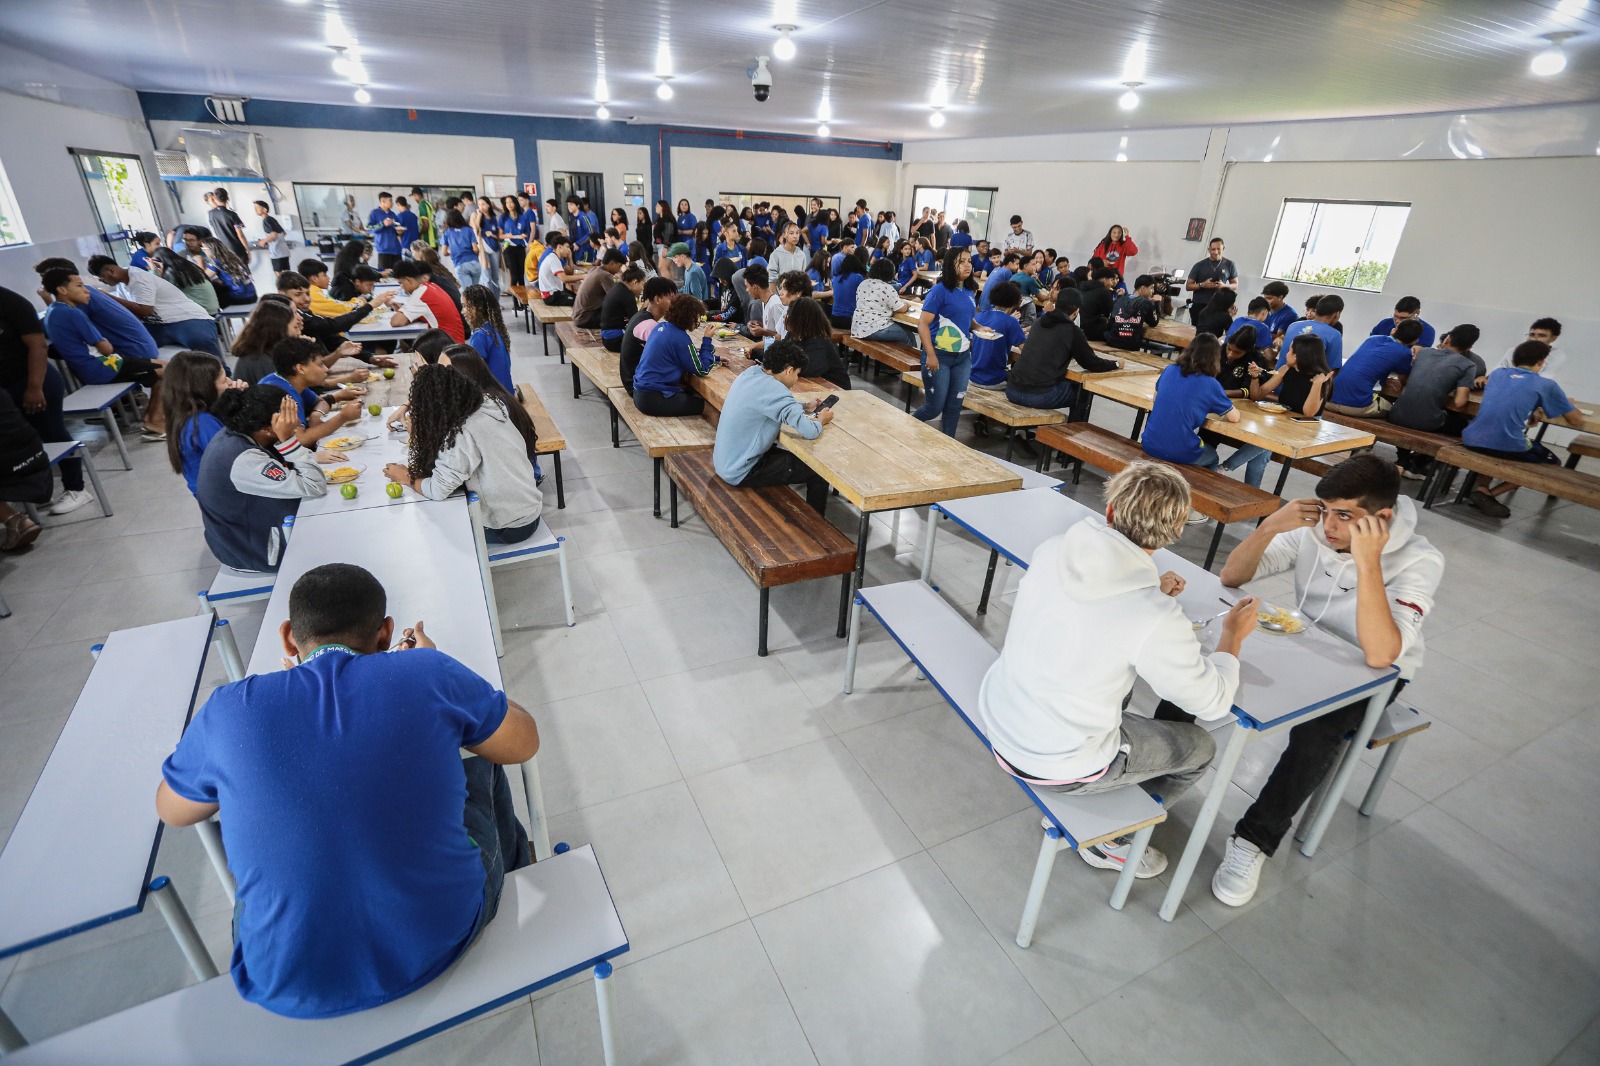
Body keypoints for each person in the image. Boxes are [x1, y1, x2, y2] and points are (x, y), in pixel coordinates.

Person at [157, 561, 538, 1018]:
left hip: (283, 980)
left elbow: (172, 810)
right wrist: (428, 666)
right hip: (442, 935)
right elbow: (523, 741)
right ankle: (517, 871)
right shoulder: (425, 671)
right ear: (386, 633)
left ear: (287, 638)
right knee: (481, 761)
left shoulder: (229, 709)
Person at [978, 461, 1255, 877]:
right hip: (1056, 762)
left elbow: (1090, 617)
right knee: (1201, 748)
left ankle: (1101, 804)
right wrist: (1232, 636)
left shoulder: (1054, 549)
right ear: (1176, 532)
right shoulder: (1150, 614)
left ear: (1109, 510)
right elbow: (1212, 702)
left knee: (1104, 674)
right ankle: (1113, 837)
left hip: (1000, 717)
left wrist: (1153, 593)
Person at [1203, 455, 1444, 905]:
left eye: (1345, 516)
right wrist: (1269, 527)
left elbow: (1381, 652)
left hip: (1373, 672)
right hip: (1307, 641)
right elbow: (1232, 576)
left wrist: (1368, 561)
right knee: (1210, 656)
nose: (1329, 526)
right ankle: (1154, 779)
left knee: (1319, 733)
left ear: (1382, 519)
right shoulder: (1319, 528)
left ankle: (1253, 841)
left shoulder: (1421, 561)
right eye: (1325, 510)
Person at [385, 363, 543, 542]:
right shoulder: (488, 403)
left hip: (508, 526)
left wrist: (405, 476)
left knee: (427, 525)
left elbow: (438, 489)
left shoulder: (462, 432)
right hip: (529, 509)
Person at [194, 384, 330, 572]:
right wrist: (289, 440)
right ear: (268, 428)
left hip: (245, 534)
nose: (298, 421)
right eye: (289, 419)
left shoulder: (238, 432)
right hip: (253, 550)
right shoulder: (244, 459)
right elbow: (315, 485)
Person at [1459, 341, 1584, 517]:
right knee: (1553, 463)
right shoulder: (1546, 384)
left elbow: (1511, 397)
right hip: (1506, 444)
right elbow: (1576, 421)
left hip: (1471, 438)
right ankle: (1488, 495)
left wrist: (1532, 408)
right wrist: (1568, 403)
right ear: (1541, 362)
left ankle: (1482, 486)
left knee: (1492, 442)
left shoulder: (1497, 375)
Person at [0, 283, 95, 514]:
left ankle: (77, 488)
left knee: (52, 432)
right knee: (20, 444)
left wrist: (34, 387)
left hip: (33, 381)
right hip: (6, 392)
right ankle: (35, 493)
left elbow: (39, 346)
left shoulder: (9, 301)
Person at [39, 268, 167, 439]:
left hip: (97, 367)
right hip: (101, 368)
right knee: (167, 371)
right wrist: (103, 341)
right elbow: (107, 349)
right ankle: (155, 422)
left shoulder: (53, 311)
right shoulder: (73, 313)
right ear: (62, 290)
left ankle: (151, 417)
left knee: (163, 367)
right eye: (80, 286)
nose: (86, 291)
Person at [712, 339, 833, 513]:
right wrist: (822, 419)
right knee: (819, 471)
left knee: (791, 459)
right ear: (789, 370)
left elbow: (768, 403)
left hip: (725, 460)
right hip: (741, 469)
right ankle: (817, 526)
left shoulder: (751, 373)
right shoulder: (777, 391)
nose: (797, 379)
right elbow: (810, 431)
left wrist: (804, 406)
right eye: (797, 374)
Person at [1143, 334, 1271, 489]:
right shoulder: (1211, 384)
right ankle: (1200, 496)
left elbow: (1157, 400)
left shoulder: (1170, 369)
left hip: (1148, 442)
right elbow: (1234, 417)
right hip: (1179, 451)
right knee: (1212, 457)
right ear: (1214, 358)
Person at [1004, 288, 1123, 411]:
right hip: (1037, 395)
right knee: (1082, 391)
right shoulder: (1072, 330)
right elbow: (1091, 363)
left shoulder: (1039, 322)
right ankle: (1074, 429)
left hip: (1012, 389)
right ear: (1076, 311)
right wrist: (1116, 363)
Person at [1388, 325, 1483, 478]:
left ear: (1447, 338)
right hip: (1427, 421)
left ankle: (1404, 459)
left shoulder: (1424, 353)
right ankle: (1420, 463)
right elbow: (1459, 402)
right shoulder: (1469, 365)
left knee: (1412, 410)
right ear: (1470, 347)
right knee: (1465, 427)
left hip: (1396, 414)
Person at [443, 346, 543, 484]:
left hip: (520, 480)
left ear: (463, 374)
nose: (438, 375)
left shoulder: (486, 407)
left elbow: (454, 466)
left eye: (444, 370)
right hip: (520, 475)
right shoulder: (489, 392)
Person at [87, 254, 221, 355]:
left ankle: (225, 378)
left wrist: (107, 296)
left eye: (101, 278)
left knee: (200, 343)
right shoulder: (122, 286)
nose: (102, 282)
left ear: (110, 271)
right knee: (131, 347)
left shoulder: (139, 277)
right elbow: (128, 312)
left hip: (186, 319)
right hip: (158, 326)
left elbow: (146, 310)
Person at [913, 246, 980, 437]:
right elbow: (923, 325)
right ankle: (906, 427)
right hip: (939, 356)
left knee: (954, 407)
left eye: (969, 261)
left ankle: (949, 443)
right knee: (934, 408)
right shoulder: (939, 291)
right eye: (962, 261)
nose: (967, 265)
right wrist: (931, 355)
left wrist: (979, 328)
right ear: (951, 264)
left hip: (962, 358)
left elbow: (966, 318)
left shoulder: (968, 290)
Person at [163, 349, 236, 494]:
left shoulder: (187, 415)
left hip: (215, 494)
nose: (230, 382)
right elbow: (236, 459)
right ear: (204, 389)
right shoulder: (202, 423)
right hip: (225, 497)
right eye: (223, 380)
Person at [258, 336, 364, 431]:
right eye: (320, 364)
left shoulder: (290, 381)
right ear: (301, 369)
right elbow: (301, 440)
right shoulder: (283, 394)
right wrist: (342, 417)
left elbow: (321, 401)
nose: (326, 369)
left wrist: (317, 414)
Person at [632, 294, 712, 417]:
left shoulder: (661, 327)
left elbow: (686, 355)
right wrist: (707, 340)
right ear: (688, 317)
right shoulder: (680, 337)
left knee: (691, 393)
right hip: (652, 397)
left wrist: (715, 359)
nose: (698, 321)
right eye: (697, 317)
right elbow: (702, 369)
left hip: (639, 392)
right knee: (709, 407)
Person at [1327, 318, 1424, 416]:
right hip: (1355, 406)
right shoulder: (1405, 353)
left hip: (1328, 399)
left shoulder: (1372, 339)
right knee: (1393, 407)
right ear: (1415, 341)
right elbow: (1403, 381)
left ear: (1394, 330)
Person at [1252, 333, 1332, 418]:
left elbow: (1309, 414)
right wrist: (1254, 377)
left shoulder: (1321, 378)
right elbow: (1257, 395)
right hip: (1284, 419)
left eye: (1289, 350)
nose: (1287, 354)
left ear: (1295, 356)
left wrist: (1317, 384)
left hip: (1306, 426)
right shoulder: (1285, 369)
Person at [620, 276, 677, 395]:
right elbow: (672, 356)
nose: (674, 302)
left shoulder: (641, 315)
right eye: (671, 298)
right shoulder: (649, 325)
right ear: (657, 299)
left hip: (634, 381)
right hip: (639, 387)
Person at [968, 280, 1028, 391]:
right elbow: (1026, 351)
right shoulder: (1011, 322)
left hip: (972, 377)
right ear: (1014, 302)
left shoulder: (978, 317)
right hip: (995, 381)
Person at [784, 295, 850, 390]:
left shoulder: (818, 341)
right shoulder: (793, 335)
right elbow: (781, 353)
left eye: (790, 314)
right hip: (814, 385)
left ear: (800, 319)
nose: (786, 317)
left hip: (836, 390)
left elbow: (808, 371)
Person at [390, 260, 466, 342]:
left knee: (406, 342)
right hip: (457, 341)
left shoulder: (420, 295)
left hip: (445, 346)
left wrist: (403, 313)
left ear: (409, 280)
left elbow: (395, 322)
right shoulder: (432, 286)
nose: (401, 287)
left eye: (401, 283)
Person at [231, 297, 299, 384]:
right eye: (295, 327)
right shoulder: (262, 362)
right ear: (279, 331)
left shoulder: (266, 353)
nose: (297, 332)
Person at [850, 258, 913, 346]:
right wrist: (907, 305)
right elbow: (900, 308)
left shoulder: (863, 283)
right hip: (876, 328)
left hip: (857, 327)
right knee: (909, 336)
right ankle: (914, 360)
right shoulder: (887, 287)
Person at [462, 284, 513, 391]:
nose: (463, 312)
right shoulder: (495, 328)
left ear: (479, 308)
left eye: (466, 306)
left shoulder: (480, 336)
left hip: (496, 396)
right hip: (506, 391)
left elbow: (475, 374)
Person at [1276, 294, 1344, 369]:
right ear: (1337, 314)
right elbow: (1333, 368)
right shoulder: (1334, 334)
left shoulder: (1293, 325)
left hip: (1277, 375)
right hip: (1302, 379)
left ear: (1316, 310)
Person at [1184, 237, 1237, 322]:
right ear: (1209, 250)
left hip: (1220, 305)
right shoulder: (1199, 265)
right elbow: (1188, 286)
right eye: (1213, 249)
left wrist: (1224, 286)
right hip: (1200, 304)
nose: (1216, 252)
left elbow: (1235, 285)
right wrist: (1202, 285)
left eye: (1218, 249)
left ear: (1223, 248)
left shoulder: (1230, 265)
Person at [1105, 275, 1160, 350]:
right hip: (1130, 345)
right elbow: (1154, 322)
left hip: (1112, 341)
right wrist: (1157, 303)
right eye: (1151, 288)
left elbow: (1110, 323)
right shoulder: (1146, 303)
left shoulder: (1120, 299)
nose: (1153, 291)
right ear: (1143, 288)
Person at [573, 248, 625, 328]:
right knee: (622, 318)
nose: (619, 270)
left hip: (579, 316)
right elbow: (617, 298)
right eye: (619, 266)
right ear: (612, 263)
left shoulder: (595, 269)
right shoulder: (605, 275)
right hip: (586, 319)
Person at [1495, 317, 1565, 376]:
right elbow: (1495, 374)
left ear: (1553, 338)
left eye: (1541, 336)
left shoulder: (1556, 356)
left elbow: (1543, 382)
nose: (1534, 339)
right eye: (1532, 334)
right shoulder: (1513, 351)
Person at [1216, 325, 1272, 400]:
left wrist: (1221, 393)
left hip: (1239, 402)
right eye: (1229, 349)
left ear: (1248, 351)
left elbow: (1248, 391)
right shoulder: (1220, 350)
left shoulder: (1256, 360)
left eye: (1237, 352)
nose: (1230, 354)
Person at [600, 265, 645, 352]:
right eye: (642, 285)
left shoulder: (618, 288)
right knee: (648, 345)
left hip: (607, 339)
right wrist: (645, 306)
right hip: (615, 340)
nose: (642, 289)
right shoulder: (627, 295)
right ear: (635, 282)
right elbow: (636, 322)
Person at [1368, 296, 1435, 349]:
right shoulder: (1385, 323)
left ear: (1417, 313)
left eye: (1403, 318)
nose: (1397, 321)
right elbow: (1370, 343)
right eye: (1395, 316)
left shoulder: (1427, 331)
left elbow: (1415, 356)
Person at [411, 245, 463, 313]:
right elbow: (457, 285)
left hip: (450, 308)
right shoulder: (442, 269)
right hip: (457, 306)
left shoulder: (430, 274)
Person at [440, 209, 483, 289]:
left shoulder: (446, 232)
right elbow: (476, 249)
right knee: (475, 289)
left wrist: (453, 253)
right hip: (474, 263)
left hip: (460, 263)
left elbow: (444, 252)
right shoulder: (469, 230)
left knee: (468, 291)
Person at [208, 187, 251, 262]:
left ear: (214, 198)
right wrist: (248, 250)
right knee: (243, 272)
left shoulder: (211, 214)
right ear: (227, 198)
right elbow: (240, 236)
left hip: (223, 250)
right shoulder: (232, 215)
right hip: (237, 250)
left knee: (230, 272)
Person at [1077, 268, 1120, 341]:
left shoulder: (1082, 286)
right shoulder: (1103, 291)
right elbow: (1110, 313)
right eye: (1111, 280)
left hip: (1077, 326)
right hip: (1089, 331)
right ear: (1104, 279)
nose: (1112, 283)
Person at [472, 196, 503, 295]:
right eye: (479, 204)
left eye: (483, 204)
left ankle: (496, 301)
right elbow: (475, 231)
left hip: (495, 248)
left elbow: (500, 236)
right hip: (483, 250)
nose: (481, 207)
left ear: (489, 205)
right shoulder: (476, 216)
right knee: (486, 277)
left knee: (495, 277)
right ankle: (489, 301)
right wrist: (479, 216)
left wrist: (493, 235)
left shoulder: (496, 218)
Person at [536, 233, 575, 306]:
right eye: (567, 247)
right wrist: (584, 276)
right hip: (551, 297)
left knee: (578, 297)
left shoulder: (554, 256)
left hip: (553, 293)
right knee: (580, 302)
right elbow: (564, 278)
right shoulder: (553, 259)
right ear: (559, 247)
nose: (569, 250)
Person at [252, 201, 291, 274]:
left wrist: (263, 241)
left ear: (265, 210)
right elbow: (283, 233)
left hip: (276, 253)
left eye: (257, 207)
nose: (255, 210)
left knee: (278, 275)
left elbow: (273, 234)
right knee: (287, 274)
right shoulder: (272, 219)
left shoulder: (266, 220)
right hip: (284, 252)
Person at [368, 192, 403, 270]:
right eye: (390, 200)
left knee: (399, 274)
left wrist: (399, 232)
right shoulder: (374, 213)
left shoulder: (393, 214)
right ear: (383, 201)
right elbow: (369, 228)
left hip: (396, 249)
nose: (392, 203)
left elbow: (397, 228)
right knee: (385, 275)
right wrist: (382, 224)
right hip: (384, 250)